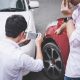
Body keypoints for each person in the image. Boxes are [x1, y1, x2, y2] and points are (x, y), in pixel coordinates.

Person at [0, 15, 44, 80]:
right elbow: (39, 66)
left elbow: (8, 49)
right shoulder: (20, 57)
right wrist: (38, 45)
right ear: (22, 34)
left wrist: (18, 43)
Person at [55, 0, 80, 80]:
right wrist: (61, 28)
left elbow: (74, 41)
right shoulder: (78, 9)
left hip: (76, 72)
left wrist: (68, 15)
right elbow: (73, 20)